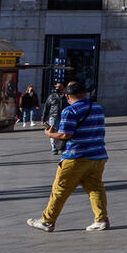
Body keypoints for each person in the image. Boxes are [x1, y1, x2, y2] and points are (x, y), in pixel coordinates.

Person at [28, 78, 110, 232]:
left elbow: (66, 134)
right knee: (95, 187)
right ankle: (101, 219)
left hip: (76, 157)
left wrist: (50, 134)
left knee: (60, 189)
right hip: (98, 155)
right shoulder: (97, 107)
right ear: (85, 93)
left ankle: (47, 221)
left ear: (67, 96)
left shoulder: (70, 111)